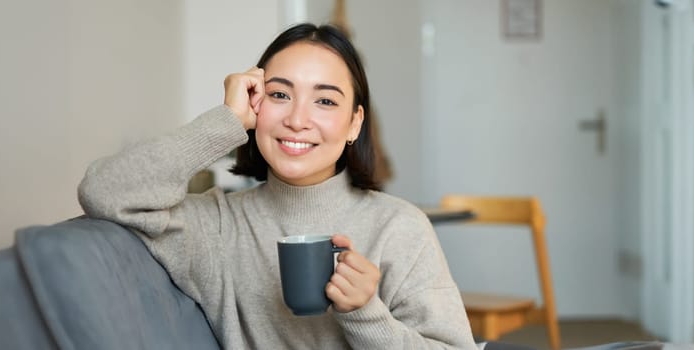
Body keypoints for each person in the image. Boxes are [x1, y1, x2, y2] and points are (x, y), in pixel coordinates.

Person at [78, 23, 476, 349]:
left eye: (325, 101)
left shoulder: (400, 228)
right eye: (280, 95)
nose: (298, 120)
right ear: (254, 105)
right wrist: (225, 123)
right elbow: (105, 191)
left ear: (355, 123)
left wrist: (365, 312)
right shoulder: (216, 226)